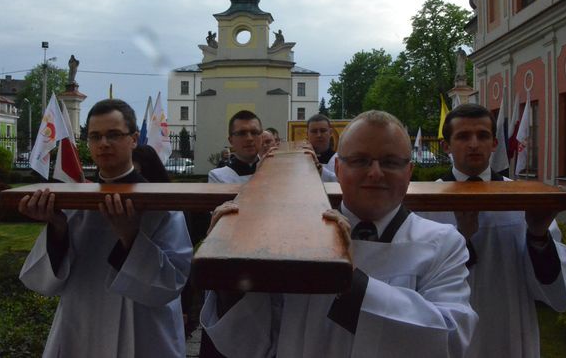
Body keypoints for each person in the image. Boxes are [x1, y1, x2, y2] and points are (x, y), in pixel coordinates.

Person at [201, 110, 477, 357]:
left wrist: (350, 279)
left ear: (409, 171)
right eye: (360, 160)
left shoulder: (442, 242)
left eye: (391, 162)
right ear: (339, 168)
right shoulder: (296, 237)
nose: (375, 173)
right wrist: (229, 270)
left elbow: (450, 341)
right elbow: (254, 344)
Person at [18, 98, 193, 357]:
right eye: (95, 136)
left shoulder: (160, 205)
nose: (103, 144)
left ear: (134, 139)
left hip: (143, 330)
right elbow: (44, 281)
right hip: (81, 324)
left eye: (113, 135)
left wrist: (130, 237)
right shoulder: (73, 201)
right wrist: (56, 228)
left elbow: (172, 283)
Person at [419, 103, 566, 358]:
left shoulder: (525, 199)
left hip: (509, 328)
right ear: (446, 145)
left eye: (482, 136)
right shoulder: (426, 204)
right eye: (463, 136)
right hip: (449, 332)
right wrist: (462, 241)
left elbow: (553, 288)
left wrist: (538, 235)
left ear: (494, 143)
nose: (473, 144)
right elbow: (418, 278)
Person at [208, 110, 263, 184]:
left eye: (254, 132)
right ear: (231, 140)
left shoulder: (272, 170)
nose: (249, 138)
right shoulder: (218, 176)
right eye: (242, 133)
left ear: (261, 137)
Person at [307, 113, 338, 181]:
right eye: (314, 131)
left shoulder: (340, 159)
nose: (319, 135)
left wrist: (320, 169)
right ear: (307, 134)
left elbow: (342, 182)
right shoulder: (300, 160)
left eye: (323, 131)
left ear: (330, 132)